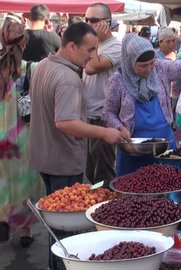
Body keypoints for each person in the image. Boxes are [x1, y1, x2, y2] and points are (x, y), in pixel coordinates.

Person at [29, 22, 127, 195]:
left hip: (44, 158)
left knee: (53, 211)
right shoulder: (68, 78)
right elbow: (65, 123)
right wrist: (105, 133)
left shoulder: (42, 65)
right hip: (64, 163)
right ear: (72, 46)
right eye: (90, 50)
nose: (92, 56)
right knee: (64, 217)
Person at [103, 34, 181, 176]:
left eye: (151, 63)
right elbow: (108, 112)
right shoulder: (118, 80)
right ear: (129, 61)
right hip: (132, 149)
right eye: (143, 65)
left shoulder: (160, 68)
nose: (149, 69)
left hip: (164, 145)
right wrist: (120, 127)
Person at [0, 19, 43, 248]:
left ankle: (3, 219)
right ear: (23, 42)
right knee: (24, 181)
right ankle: (25, 230)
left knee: (3, 180)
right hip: (22, 134)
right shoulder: (30, 68)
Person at [83, 3, 122, 184]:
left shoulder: (117, 46)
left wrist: (94, 42)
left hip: (104, 117)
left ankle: (107, 208)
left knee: (104, 174)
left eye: (94, 20)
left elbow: (92, 68)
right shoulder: (90, 45)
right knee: (91, 172)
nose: (89, 24)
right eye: (87, 20)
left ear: (108, 22)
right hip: (88, 116)